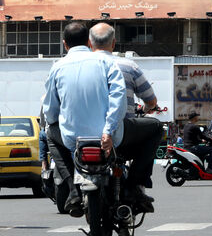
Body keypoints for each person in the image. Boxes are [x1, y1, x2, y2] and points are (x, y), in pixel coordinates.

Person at [43, 22, 162, 216]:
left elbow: (50, 110)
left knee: (50, 134)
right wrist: (107, 131)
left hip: (73, 140)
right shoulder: (107, 63)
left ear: (65, 44)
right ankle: (133, 186)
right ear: (88, 42)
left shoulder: (57, 67)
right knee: (156, 128)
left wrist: (58, 122)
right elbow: (119, 99)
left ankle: (72, 190)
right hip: (112, 138)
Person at [90, 23, 157, 118]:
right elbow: (151, 101)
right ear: (113, 43)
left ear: (89, 43)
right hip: (123, 128)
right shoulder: (129, 66)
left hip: (88, 129)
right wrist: (144, 109)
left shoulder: (79, 67)